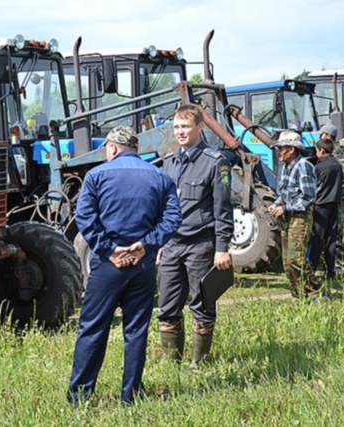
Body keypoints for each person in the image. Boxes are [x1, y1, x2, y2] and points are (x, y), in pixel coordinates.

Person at [68, 126, 182, 405]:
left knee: (93, 328)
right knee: (136, 330)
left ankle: (81, 396)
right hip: (143, 266)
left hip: (108, 266)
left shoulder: (96, 176)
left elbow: (84, 218)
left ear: (113, 148)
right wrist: (146, 245)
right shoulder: (159, 176)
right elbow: (173, 218)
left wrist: (109, 248)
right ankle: (130, 395)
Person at [157, 103, 233, 369]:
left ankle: (197, 364)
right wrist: (160, 241)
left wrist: (221, 247)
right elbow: (163, 208)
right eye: (176, 127)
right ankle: (171, 363)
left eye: (185, 126)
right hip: (172, 245)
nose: (180, 132)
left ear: (200, 127)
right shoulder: (168, 161)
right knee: (166, 306)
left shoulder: (215, 162)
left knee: (201, 306)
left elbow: (222, 209)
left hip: (200, 244)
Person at [267, 130, 321, 298]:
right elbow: (282, 193)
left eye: (280, 148)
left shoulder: (304, 166)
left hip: (300, 217)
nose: (278, 152)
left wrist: (285, 208)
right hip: (287, 217)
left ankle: (316, 291)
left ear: (291, 150)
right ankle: (299, 296)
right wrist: (276, 204)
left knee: (296, 259)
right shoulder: (285, 168)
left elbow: (308, 197)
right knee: (287, 261)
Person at [306, 138, 343, 281]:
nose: (316, 153)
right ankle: (330, 271)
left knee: (316, 238)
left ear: (322, 150)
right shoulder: (337, 165)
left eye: (317, 150)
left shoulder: (319, 167)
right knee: (331, 239)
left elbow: (315, 186)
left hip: (320, 206)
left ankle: (311, 268)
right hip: (334, 205)